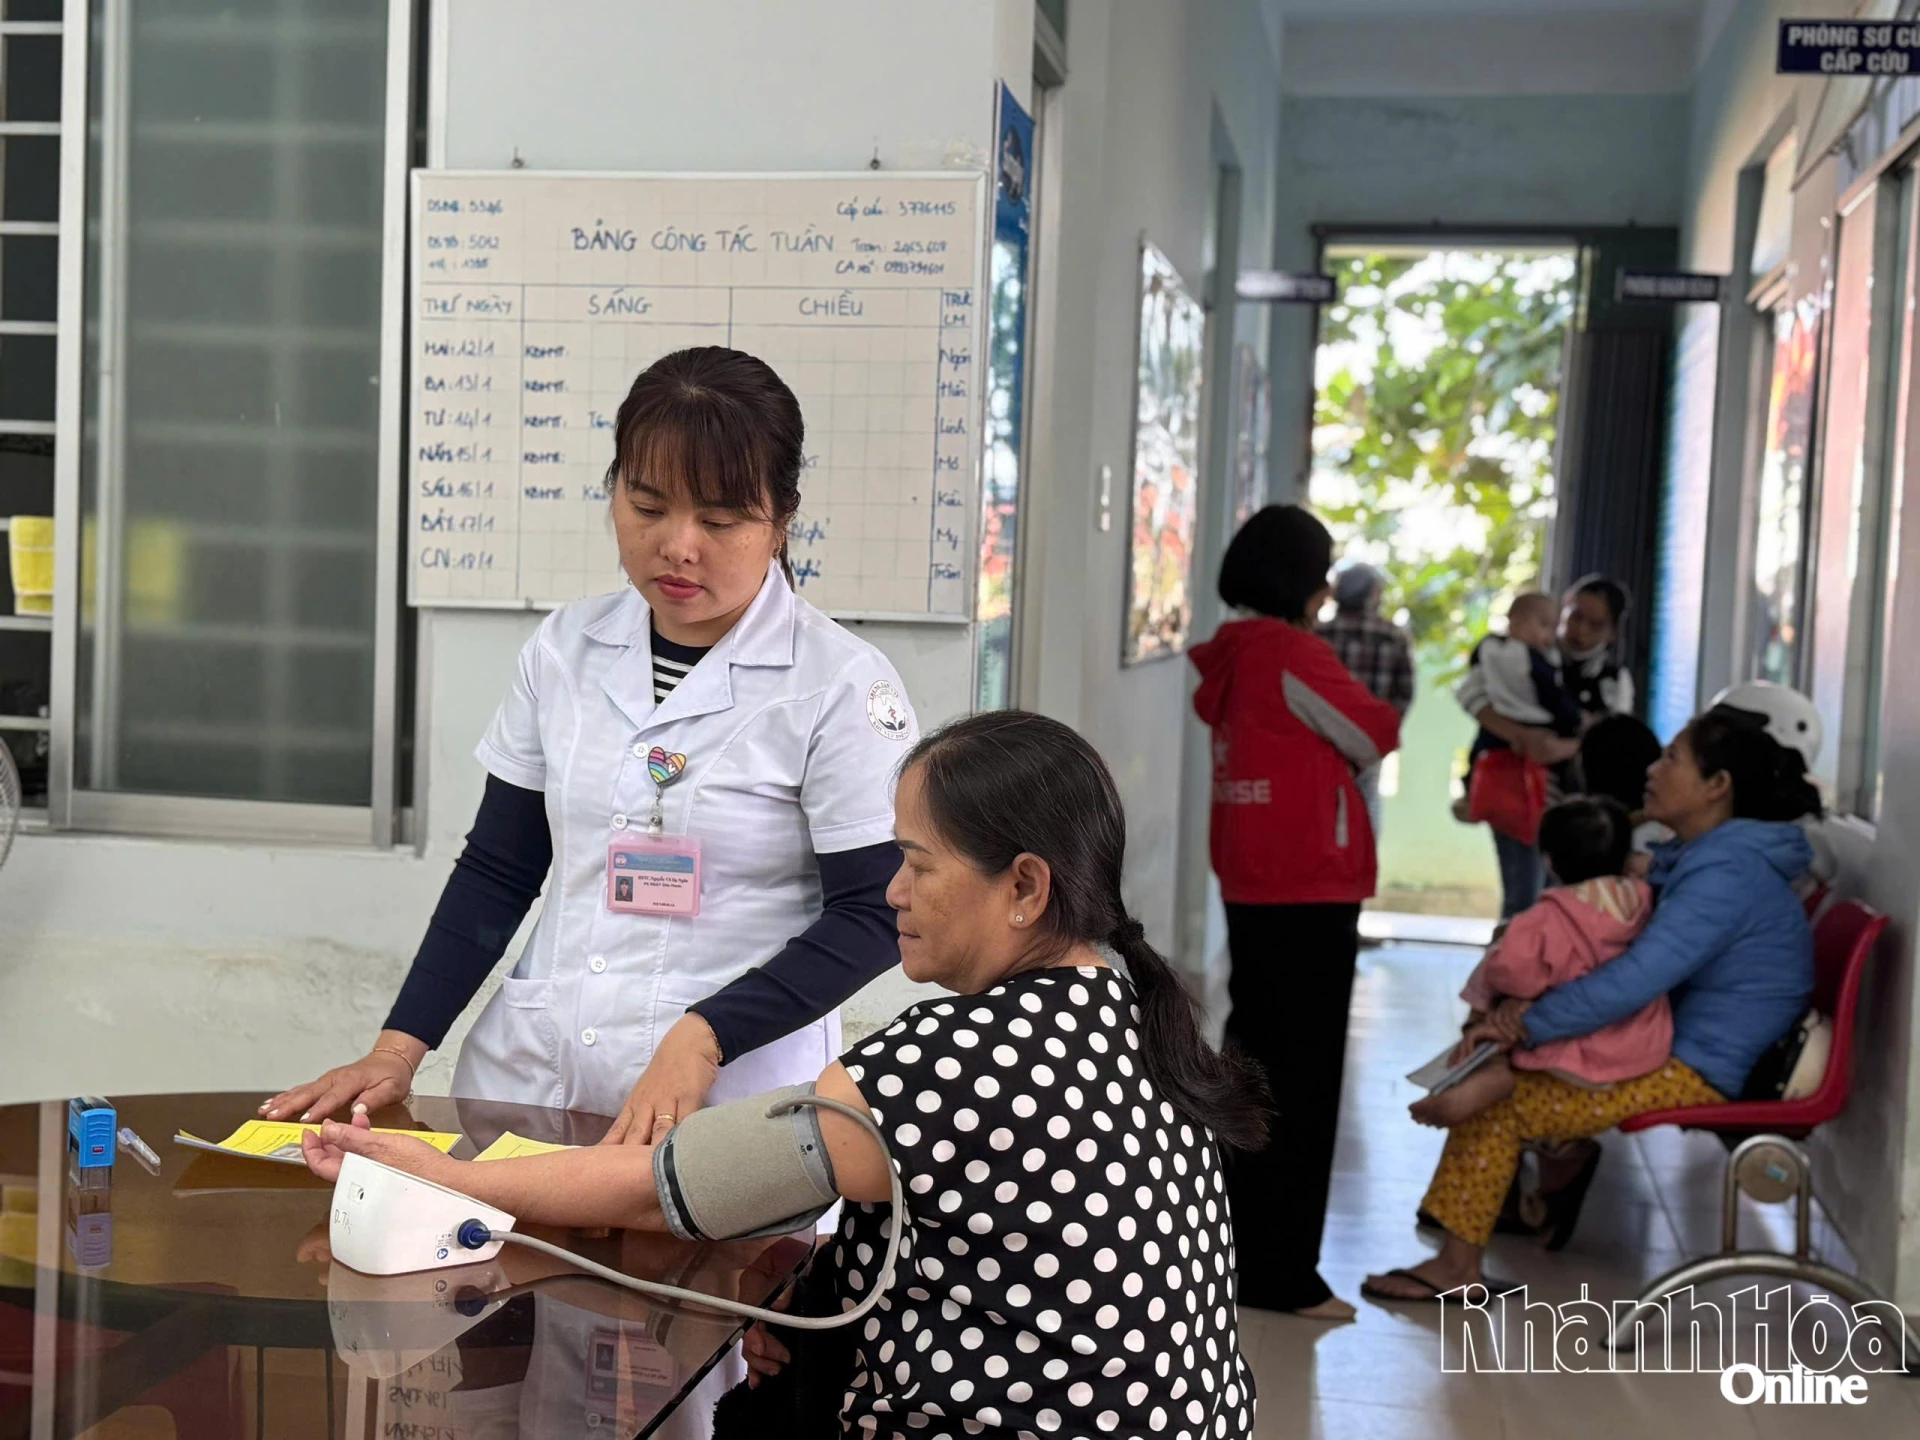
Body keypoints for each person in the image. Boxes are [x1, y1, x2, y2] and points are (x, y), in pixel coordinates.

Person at [301, 711, 1266, 1440]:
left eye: (917, 864)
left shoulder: (960, 1058)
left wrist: (447, 1178)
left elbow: (666, 1187)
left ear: (1023, 886)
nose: (892, 891)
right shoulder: (1127, 1010)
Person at [265, 346, 916, 1145]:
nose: (678, 546)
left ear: (781, 520)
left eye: (719, 521)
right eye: (648, 507)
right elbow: (500, 869)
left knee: (689, 1230)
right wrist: (400, 1047)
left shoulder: (838, 685)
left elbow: (874, 913)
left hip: (727, 1111)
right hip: (534, 1085)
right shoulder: (566, 649)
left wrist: (707, 1033)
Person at [1364, 704, 1820, 1298]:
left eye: (1672, 758)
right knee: (1506, 1064)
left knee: (1499, 1103)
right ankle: (1541, 1168)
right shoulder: (1712, 859)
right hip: (1683, 1046)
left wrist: (1528, 1022)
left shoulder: (1725, 874)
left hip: (1699, 1069)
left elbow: (1635, 979)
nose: (1654, 769)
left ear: (1717, 786)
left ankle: (1457, 1268)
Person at [1190, 505, 1403, 1320]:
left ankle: (1233, 1253)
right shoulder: (1291, 652)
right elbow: (1374, 731)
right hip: (1309, 882)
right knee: (1303, 1083)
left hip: (1250, 875)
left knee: (1253, 1066)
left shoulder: (1233, 652)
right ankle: (1283, 1275)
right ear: (1301, 578)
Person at [1410, 797, 1662, 1129]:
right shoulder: (1646, 900)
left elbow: (1513, 975)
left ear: (1550, 863)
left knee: (1496, 971)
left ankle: (1491, 1068)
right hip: (1638, 1049)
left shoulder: (1545, 918)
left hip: (1569, 1055)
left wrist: (1501, 952)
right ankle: (1561, 1150)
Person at [1454, 592, 1586, 918]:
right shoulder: (1528, 660)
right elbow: (1470, 695)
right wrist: (1525, 736)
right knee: (1523, 894)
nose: (1550, 634)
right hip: (1512, 788)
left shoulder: (1594, 672)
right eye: (1543, 624)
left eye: (1552, 626)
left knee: (1550, 892)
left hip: (1554, 794)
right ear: (1515, 622)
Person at [1316, 561, 1415, 838]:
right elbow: (1405, 693)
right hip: (1369, 739)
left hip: (1321, 737)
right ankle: (1362, 860)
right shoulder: (1393, 635)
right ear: (1373, 593)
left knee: (1320, 804)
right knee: (1366, 804)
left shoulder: (1318, 633)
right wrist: (1382, 732)